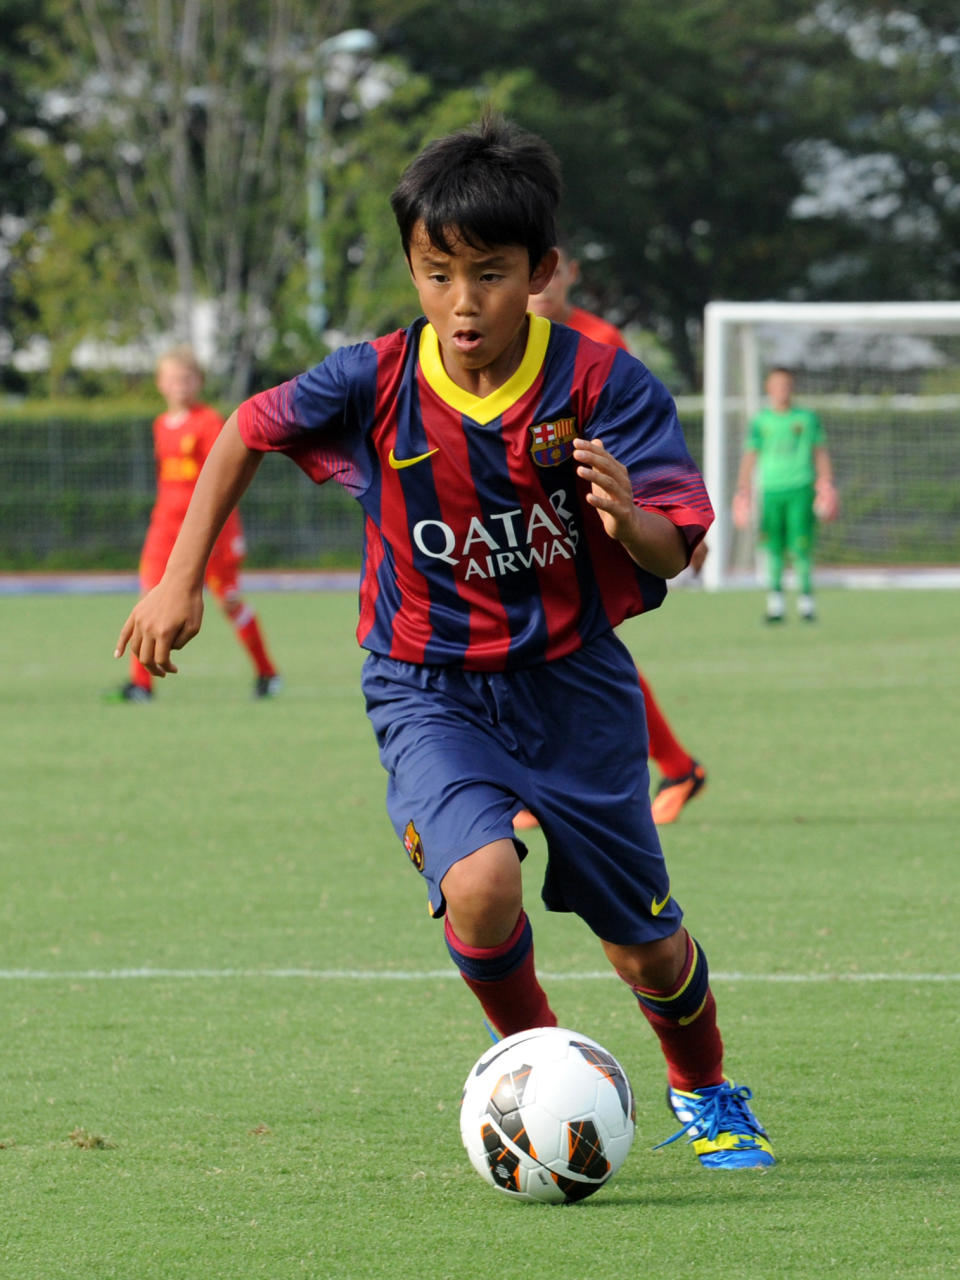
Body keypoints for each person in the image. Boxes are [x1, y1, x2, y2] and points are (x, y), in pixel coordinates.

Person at [114, 115, 773, 1168]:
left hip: (573, 680)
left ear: (541, 272)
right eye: (438, 272)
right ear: (415, 268)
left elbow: (675, 542)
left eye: (492, 274)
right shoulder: (375, 377)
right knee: (478, 881)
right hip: (426, 683)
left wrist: (624, 516)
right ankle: (535, 1075)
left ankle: (706, 1085)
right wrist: (180, 576)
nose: (463, 301)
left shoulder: (605, 385)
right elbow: (248, 425)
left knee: (646, 941)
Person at [525, 244, 706, 825]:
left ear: (566, 273)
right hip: (535, 526)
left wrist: (672, 518)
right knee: (552, 649)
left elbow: (646, 432)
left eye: (550, 274)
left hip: (592, 528)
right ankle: (670, 768)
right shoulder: (511, 342)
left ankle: (672, 767)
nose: (541, 289)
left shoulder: (602, 341)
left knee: (577, 647)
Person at [109, 345, 282, 701]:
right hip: (164, 530)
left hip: (208, 534)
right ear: (160, 384)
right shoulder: (160, 425)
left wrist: (229, 533)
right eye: (172, 379)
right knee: (149, 598)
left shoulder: (209, 423)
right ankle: (141, 685)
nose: (179, 386)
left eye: (186, 379)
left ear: (198, 382)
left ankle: (267, 673)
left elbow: (224, 480)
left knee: (228, 602)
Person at [733, 366, 838, 623]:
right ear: (769, 389)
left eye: (786, 385)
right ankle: (776, 606)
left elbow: (819, 450)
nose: (782, 391)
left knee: (801, 547)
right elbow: (750, 454)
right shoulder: (761, 421)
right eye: (777, 385)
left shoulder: (806, 418)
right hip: (770, 491)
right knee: (773, 548)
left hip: (800, 488)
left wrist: (826, 483)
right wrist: (742, 489)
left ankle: (806, 605)